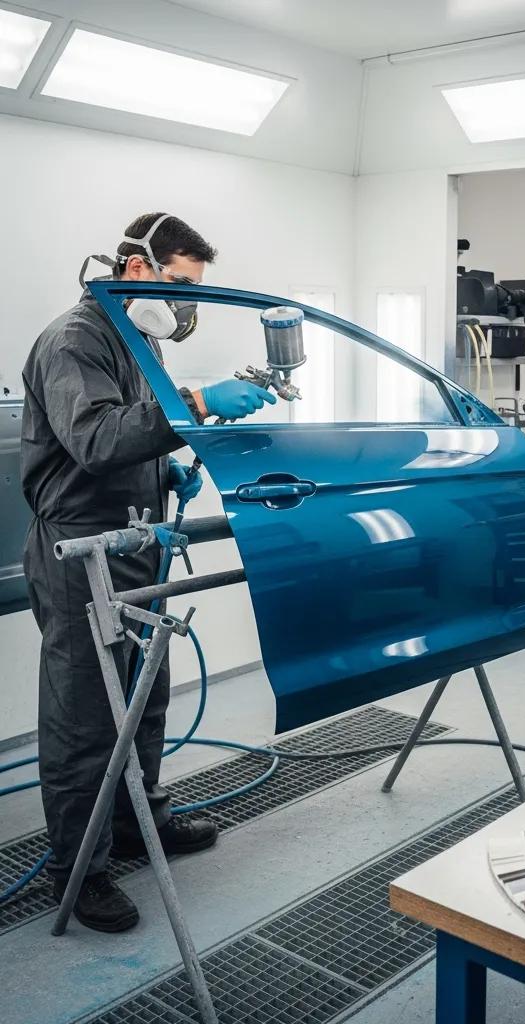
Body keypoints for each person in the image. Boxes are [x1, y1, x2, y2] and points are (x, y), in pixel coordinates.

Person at [21, 213, 276, 933]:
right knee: (84, 717)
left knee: (144, 694)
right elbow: (98, 438)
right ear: (136, 267)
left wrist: (167, 473)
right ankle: (81, 870)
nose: (187, 303)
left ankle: (138, 821)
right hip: (80, 550)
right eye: (181, 285)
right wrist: (197, 403)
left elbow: (140, 425)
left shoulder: (137, 342)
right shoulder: (74, 340)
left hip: (134, 537)